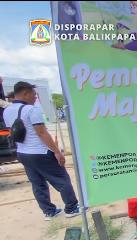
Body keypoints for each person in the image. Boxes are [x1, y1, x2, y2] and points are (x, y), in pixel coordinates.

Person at [3, 82, 80, 220]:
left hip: (22, 153)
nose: (35, 97)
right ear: (25, 93)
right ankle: (72, 208)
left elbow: (12, 132)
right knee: (62, 179)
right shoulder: (32, 110)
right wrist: (57, 152)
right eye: (34, 94)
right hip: (40, 153)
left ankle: (49, 212)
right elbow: (42, 133)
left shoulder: (7, 111)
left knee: (37, 183)